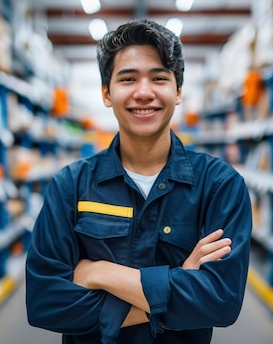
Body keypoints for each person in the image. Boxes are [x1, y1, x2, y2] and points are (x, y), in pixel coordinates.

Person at [25, 18, 252, 344]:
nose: (144, 93)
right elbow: (45, 303)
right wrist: (178, 286)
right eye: (128, 79)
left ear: (177, 92)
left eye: (159, 78)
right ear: (107, 93)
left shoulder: (219, 186)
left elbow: (220, 301)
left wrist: (101, 272)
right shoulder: (69, 187)